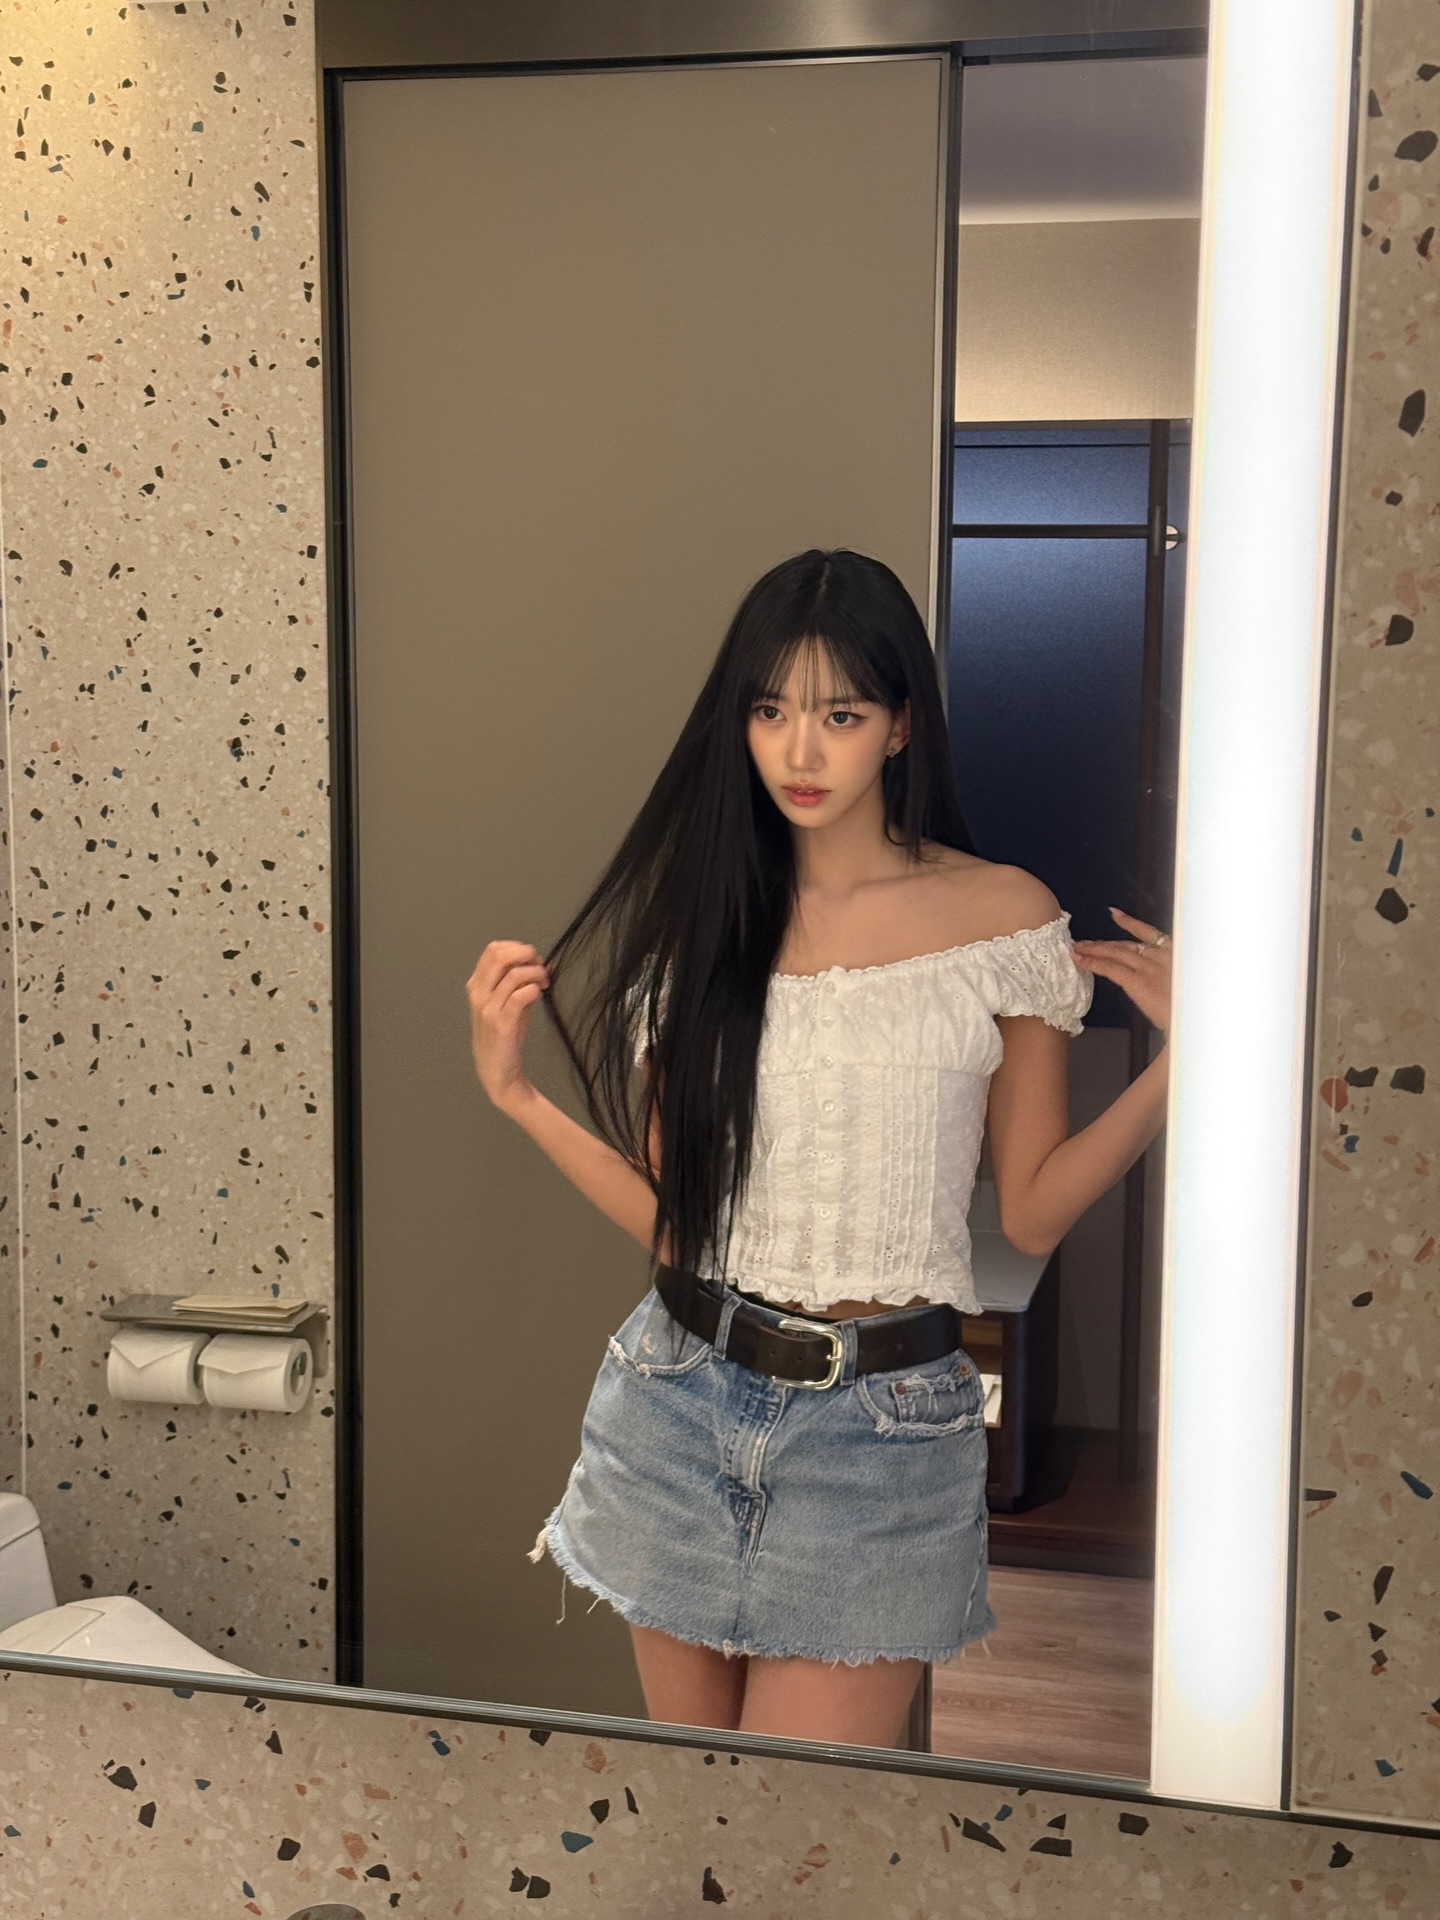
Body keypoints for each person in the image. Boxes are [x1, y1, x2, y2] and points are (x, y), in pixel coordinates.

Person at [466, 548, 1172, 1749]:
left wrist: (1181, 1066)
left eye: (840, 715)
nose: (801, 751)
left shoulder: (1002, 918)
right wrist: (519, 1097)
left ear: (900, 726)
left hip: (883, 1436)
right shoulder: (702, 926)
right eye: (770, 711)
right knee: (701, 1814)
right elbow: (681, 1228)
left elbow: (1034, 1210)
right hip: (676, 1404)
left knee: (799, 1829)